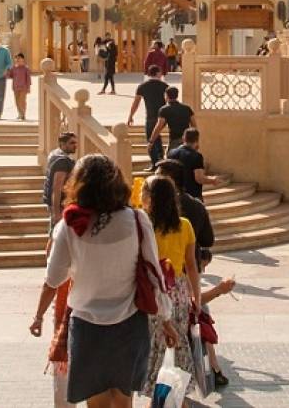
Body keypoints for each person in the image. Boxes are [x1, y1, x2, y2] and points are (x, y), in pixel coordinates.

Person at [28, 154, 174, 408]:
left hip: (87, 326)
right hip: (130, 324)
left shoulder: (70, 225)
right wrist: (166, 319)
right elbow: (154, 276)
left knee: (96, 403)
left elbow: (53, 279)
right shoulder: (138, 220)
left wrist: (38, 316)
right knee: (123, 400)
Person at [140, 175, 200, 399]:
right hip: (179, 290)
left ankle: (157, 392)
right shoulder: (184, 225)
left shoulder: (144, 225)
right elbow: (192, 265)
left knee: (156, 344)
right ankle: (175, 391)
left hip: (154, 291)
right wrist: (197, 297)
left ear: (151, 197)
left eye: (144, 192)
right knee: (176, 342)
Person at [153, 160, 214, 269]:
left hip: (166, 270)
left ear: (169, 180)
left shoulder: (156, 206)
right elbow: (207, 240)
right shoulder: (197, 205)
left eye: (157, 177)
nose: (153, 180)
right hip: (190, 269)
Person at [128, 65, 169, 168]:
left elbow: (136, 103)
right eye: (160, 72)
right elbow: (169, 102)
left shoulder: (142, 86)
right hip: (162, 117)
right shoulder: (165, 86)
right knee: (156, 137)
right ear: (157, 73)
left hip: (150, 117)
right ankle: (160, 160)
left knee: (151, 139)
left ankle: (155, 162)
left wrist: (130, 116)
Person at [166, 129, 224, 201]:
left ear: (183, 138)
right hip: (192, 197)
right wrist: (213, 180)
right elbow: (199, 178)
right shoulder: (196, 156)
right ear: (197, 140)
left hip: (175, 195)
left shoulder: (171, 153)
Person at [43, 132, 78, 227]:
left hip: (60, 204)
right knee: (56, 235)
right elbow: (56, 188)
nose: (75, 146)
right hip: (60, 206)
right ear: (62, 144)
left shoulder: (55, 154)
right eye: (72, 143)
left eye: (76, 143)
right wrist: (56, 213)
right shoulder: (62, 161)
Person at [150, 87, 196, 155]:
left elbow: (159, 126)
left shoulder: (164, 110)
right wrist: (195, 141)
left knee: (171, 161)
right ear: (177, 95)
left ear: (166, 96)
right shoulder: (187, 108)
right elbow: (194, 125)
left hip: (174, 140)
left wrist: (151, 141)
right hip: (188, 140)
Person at [8, 53, 31, 121]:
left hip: (23, 87)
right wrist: (8, 71)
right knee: (17, 101)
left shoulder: (26, 68)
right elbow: (10, 75)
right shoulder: (14, 68)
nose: (17, 60)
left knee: (22, 101)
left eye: (19, 58)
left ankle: (23, 114)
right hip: (15, 87)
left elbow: (28, 79)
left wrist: (28, 88)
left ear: (23, 59)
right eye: (16, 58)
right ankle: (19, 113)